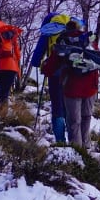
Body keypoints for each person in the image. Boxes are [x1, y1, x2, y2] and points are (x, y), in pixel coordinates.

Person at [42, 19, 100, 149]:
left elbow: (49, 68)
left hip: (71, 88)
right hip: (90, 87)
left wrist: (44, 67)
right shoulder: (89, 42)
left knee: (74, 122)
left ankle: (77, 152)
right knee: (86, 117)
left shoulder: (63, 43)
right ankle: (86, 148)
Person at [30, 12, 71, 143]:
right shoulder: (70, 27)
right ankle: (75, 139)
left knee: (57, 105)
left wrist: (36, 62)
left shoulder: (50, 29)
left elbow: (40, 49)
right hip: (72, 72)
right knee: (70, 105)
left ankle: (60, 140)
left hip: (55, 72)